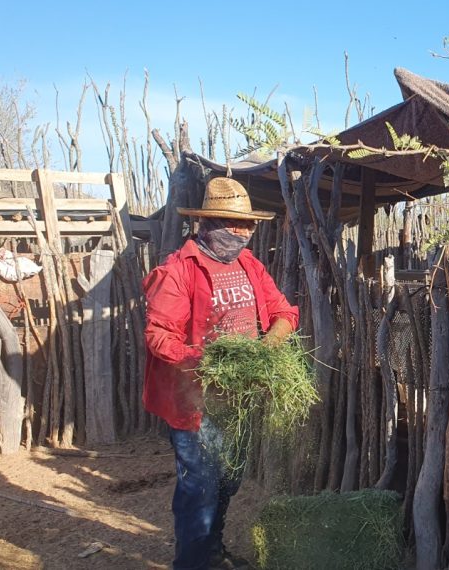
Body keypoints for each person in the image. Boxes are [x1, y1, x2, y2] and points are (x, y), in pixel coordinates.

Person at [143, 177, 299, 570]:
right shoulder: (179, 271)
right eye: (235, 224)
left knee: (228, 482)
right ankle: (193, 563)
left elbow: (284, 312)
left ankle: (213, 552)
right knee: (199, 489)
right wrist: (211, 363)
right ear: (207, 223)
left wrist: (265, 350)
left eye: (248, 225)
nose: (244, 232)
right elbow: (159, 337)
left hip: (239, 401)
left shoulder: (248, 264)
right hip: (194, 404)